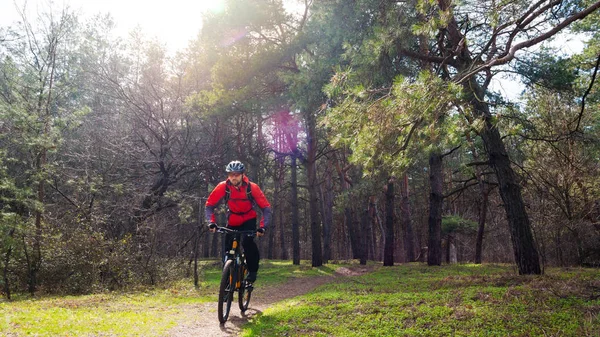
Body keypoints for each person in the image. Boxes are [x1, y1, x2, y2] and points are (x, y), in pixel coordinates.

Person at [205, 160, 271, 283]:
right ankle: (227, 278)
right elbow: (209, 205)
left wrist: (263, 227)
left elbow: (266, 208)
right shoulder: (223, 187)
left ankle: (252, 272)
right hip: (233, 220)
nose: (233, 177)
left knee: (247, 243)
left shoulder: (252, 188)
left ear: (242, 174)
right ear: (228, 175)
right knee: (227, 249)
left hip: (249, 219)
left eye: (236, 174)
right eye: (231, 174)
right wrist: (211, 222)